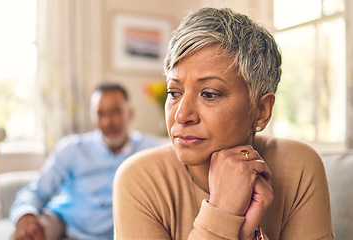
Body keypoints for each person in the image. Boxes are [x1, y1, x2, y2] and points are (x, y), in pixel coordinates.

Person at [113, 7, 334, 240]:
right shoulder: (139, 180)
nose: (181, 115)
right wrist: (223, 213)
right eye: (174, 92)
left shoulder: (298, 167)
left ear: (261, 111)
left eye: (209, 94)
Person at [10, 83, 161, 240]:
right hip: (64, 223)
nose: (107, 122)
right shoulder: (72, 148)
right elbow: (37, 191)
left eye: (115, 112)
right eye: (100, 114)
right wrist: (26, 215)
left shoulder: (150, 149)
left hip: (118, 233)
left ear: (130, 113)